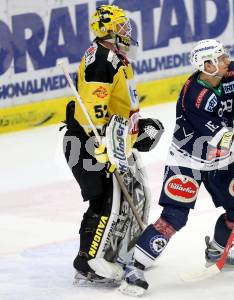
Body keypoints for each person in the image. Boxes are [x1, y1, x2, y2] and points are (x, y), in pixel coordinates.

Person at [119, 39, 234, 295]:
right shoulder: (194, 95)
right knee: (173, 217)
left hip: (220, 161)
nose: (226, 61)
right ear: (206, 65)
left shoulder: (233, 74)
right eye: (220, 58)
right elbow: (215, 133)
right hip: (187, 160)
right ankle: (135, 268)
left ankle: (217, 251)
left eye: (224, 56)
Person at [62, 4, 163, 288]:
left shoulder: (115, 58)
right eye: (121, 27)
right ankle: (87, 260)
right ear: (108, 30)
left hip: (111, 140)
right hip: (89, 142)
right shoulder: (102, 60)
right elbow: (93, 110)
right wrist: (100, 143)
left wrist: (135, 128)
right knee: (105, 199)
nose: (126, 32)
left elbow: (118, 105)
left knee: (129, 195)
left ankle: (119, 250)